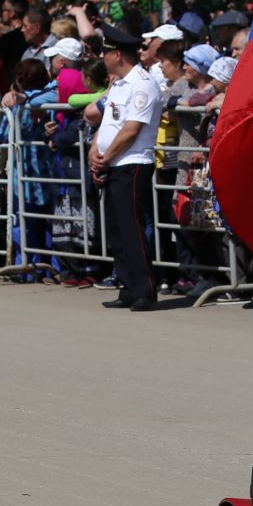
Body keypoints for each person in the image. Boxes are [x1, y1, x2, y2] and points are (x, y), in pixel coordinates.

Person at [89, 24, 161, 310]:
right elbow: (108, 122)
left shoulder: (142, 84)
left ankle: (145, 288)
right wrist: (95, 151)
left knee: (131, 228)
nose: (102, 58)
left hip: (132, 163)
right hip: (113, 163)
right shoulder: (118, 84)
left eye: (105, 52)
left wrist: (105, 158)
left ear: (117, 54)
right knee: (116, 230)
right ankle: (128, 286)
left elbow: (132, 129)